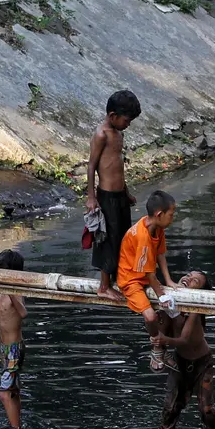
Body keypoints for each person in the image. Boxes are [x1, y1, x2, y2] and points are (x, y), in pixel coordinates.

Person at [154, 271, 215, 429]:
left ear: (200, 291)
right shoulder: (168, 300)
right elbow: (160, 326)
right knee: (171, 408)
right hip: (180, 361)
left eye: (195, 281)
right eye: (188, 275)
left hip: (202, 362)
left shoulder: (195, 307)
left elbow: (184, 339)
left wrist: (165, 340)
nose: (188, 278)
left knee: (206, 409)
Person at [87, 90, 141, 301]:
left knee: (123, 237)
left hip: (119, 195)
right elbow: (91, 167)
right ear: (112, 116)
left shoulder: (119, 134)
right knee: (107, 239)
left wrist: (126, 192)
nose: (128, 124)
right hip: (106, 195)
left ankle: (120, 278)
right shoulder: (102, 134)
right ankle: (104, 286)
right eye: (126, 120)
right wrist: (91, 197)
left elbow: (118, 167)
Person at [118, 190, 179, 371]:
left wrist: (169, 281)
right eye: (171, 215)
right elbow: (148, 275)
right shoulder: (142, 236)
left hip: (145, 275)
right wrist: (161, 294)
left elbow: (160, 254)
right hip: (131, 279)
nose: (172, 218)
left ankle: (162, 346)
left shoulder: (157, 228)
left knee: (167, 312)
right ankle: (157, 347)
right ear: (159, 214)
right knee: (151, 316)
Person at [0, 249, 28, 429]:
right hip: (4, 349)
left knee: (4, 394)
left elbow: (23, 312)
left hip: (14, 349)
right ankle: (17, 425)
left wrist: (10, 291)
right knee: (13, 390)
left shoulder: (15, 290)